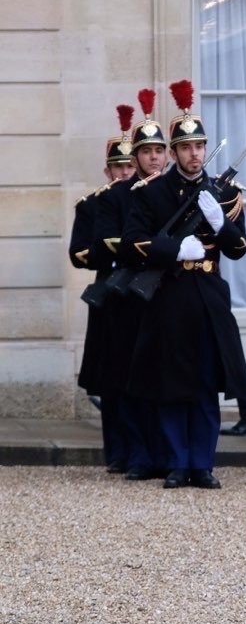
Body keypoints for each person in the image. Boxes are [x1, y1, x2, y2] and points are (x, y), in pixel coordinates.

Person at [120, 80, 246, 490]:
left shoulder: (225, 193)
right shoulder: (152, 192)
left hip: (208, 296)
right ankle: (177, 463)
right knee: (172, 386)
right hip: (170, 296)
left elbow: (239, 249)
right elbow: (131, 242)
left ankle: (203, 464)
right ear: (173, 152)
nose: (195, 154)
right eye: (186, 147)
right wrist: (174, 249)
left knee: (206, 386)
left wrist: (220, 224)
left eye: (200, 146)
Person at [92, 90, 168, 480]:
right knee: (128, 378)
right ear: (134, 157)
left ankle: (167, 453)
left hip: (166, 293)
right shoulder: (116, 196)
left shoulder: (173, 191)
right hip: (128, 296)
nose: (153, 157)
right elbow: (106, 241)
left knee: (165, 377)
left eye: (158, 150)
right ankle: (138, 454)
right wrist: (148, 248)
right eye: (146, 151)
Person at [69, 108, 137, 472]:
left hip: (140, 293)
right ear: (107, 171)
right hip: (109, 293)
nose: (124, 173)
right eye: (117, 168)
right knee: (111, 379)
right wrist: (108, 248)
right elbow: (79, 253)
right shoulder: (92, 206)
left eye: (128, 166)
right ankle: (117, 452)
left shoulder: (145, 199)